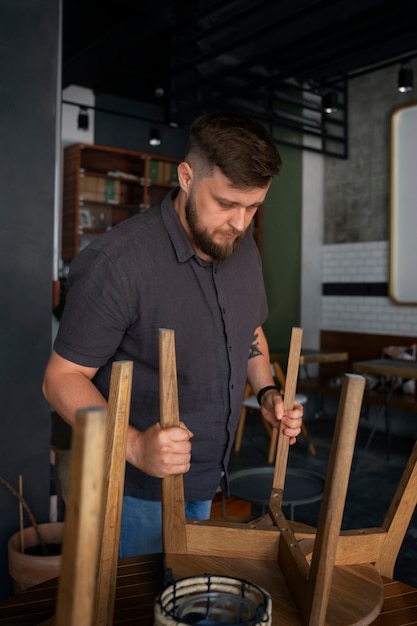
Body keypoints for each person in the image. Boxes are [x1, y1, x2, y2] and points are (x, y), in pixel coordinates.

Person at [42, 111, 303, 557]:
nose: (240, 223)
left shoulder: (241, 248)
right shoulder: (119, 261)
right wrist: (138, 446)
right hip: (130, 489)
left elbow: (248, 330)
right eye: (225, 203)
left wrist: (266, 392)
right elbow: (61, 380)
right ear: (186, 176)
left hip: (208, 476)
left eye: (253, 206)